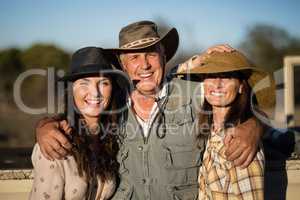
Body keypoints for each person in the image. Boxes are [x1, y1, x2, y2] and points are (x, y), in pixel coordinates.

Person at [35, 21, 264, 199]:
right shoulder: (111, 103)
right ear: (122, 65)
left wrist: (252, 125)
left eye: (151, 54)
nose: (144, 65)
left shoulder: (194, 92)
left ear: (164, 56)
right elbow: (77, 113)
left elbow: (240, 102)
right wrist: (44, 126)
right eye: (134, 57)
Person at [29, 47, 127, 200]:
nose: (95, 93)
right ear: (71, 90)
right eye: (84, 83)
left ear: (112, 89)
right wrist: (43, 126)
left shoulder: (113, 136)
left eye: (103, 83)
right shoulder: (56, 143)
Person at [177, 51, 274, 199]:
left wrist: (256, 125)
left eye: (226, 77)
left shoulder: (241, 144)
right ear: (203, 82)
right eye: (211, 76)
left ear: (241, 86)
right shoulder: (208, 132)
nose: (217, 84)